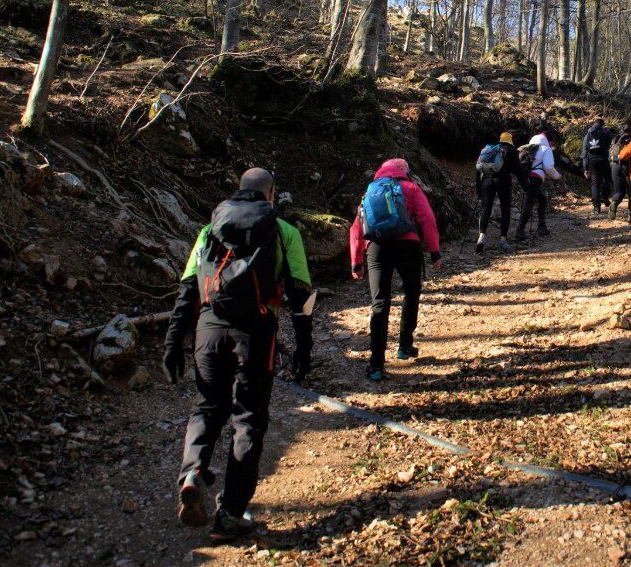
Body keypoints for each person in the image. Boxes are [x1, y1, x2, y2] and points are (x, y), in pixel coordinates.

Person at [163, 168, 314, 540]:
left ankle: (193, 472)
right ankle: (230, 513)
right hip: (255, 334)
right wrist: (304, 345)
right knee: (248, 419)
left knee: (206, 407)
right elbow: (300, 292)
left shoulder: (209, 229)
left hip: (208, 330)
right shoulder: (283, 231)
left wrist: (172, 343)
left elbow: (187, 290)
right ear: (271, 194)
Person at [349, 159, 441, 382]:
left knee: (379, 302)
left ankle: (376, 364)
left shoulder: (370, 191)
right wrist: (434, 251)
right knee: (411, 291)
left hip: (377, 247)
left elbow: (356, 228)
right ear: (405, 171)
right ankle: (404, 346)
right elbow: (427, 218)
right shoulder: (410, 188)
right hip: (407, 245)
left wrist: (356, 262)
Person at [475, 132, 527, 253]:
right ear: (510, 140)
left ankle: (481, 236)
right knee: (505, 209)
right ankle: (503, 240)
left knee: (485, 209)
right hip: (503, 181)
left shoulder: (490, 150)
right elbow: (518, 170)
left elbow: (478, 171)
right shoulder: (511, 150)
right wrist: (525, 186)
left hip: (486, 180)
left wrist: (478, 191)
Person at [515, 132, 561, 240]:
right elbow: (549, 167)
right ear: (548, 141)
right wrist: (557, 176)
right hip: (535, 178)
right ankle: (520, 230)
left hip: (525, 177)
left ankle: (541, 227)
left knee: (542, 199)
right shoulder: (545, 148)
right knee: (529, 203)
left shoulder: (528, 147)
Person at [581, 119, 614, 215]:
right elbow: (610, 145)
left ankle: (596, 207)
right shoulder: (606, 133)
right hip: (604, 159)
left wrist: (585, 168)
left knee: (595, 183)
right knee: (608, 179)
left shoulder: (587, 135)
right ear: (602, 125)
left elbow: (584, 153)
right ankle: (604, 196)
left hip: (592, 162)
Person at [608, 122, 631, 223]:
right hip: (628, 165)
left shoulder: (616, 138)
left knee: (619, 191)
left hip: (614, 165)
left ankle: (614, 203)